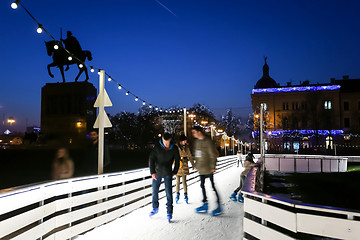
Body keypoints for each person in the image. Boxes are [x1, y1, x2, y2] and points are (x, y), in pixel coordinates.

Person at [191, 126, 223, 216]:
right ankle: (205, 203)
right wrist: (195, 165)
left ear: (199, 132)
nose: (193, 134)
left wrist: (213, 166)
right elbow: (197, 155)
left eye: (194, 132)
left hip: (208, 168)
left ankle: (219, 205)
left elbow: (212, 155)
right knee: (202, 185)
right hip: (201, 169)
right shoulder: (197, 142)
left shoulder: (208, 141)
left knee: (212, 186)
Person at [149, 132, 180, 222]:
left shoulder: (174, 148)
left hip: (168, 173)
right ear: (162, 139)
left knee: (169, 193)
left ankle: (169, 212)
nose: (166, 144)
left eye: (168, 142)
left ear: (170, 140)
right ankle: (155, 208)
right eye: (164, 142)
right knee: (154, 191)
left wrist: (175, 171)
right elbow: (151, 159)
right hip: (157, 172)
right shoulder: (157, 147)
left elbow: (177, 161)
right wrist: (152, 172)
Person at [175, 134, 195, 204]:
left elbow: (190, 156)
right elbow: (173, 155)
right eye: (184, 141)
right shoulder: (176, 147)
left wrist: (193, 164)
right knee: (177, 181)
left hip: (185, 165)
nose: (185, 142)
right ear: (181, 141)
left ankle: (185, 195)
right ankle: (177, 194)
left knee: (184, 181)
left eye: (185, 141)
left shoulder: (187, 147)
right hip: (178, 165)